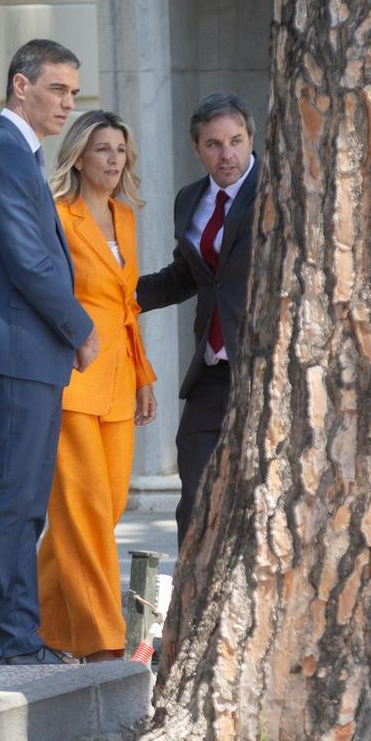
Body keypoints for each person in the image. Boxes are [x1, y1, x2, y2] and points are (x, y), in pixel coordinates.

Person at [0, 39, 98, 669]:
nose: (69, 102)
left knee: (26, 504)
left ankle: (15, 637)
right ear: (20, 86)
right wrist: (80, 328)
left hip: (29, 353)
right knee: (9, 500)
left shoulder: (19, 154)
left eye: (73, 91)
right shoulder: (1, 154)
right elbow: (31, 263)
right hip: (14, 351)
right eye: (58, 89)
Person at [36, 111, 157, 662]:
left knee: (100, 511)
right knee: (82, 511)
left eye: (120, 150)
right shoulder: (58, 216)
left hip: (121, 379)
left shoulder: (125, 217)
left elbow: (127, 306)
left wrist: (144, 377)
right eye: (103, 149)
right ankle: (104, 640)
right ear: (79, 156)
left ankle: (41, 626)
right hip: (74, 377)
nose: (113, 159)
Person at [137, 93, 260, 547]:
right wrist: (119, 296)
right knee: (195, 494)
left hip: (267, 370)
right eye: (213, 144)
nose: (226, 154)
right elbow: (186, 276)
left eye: (236, 141)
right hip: (210, 371)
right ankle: (196, 604)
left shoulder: (278, 191)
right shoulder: (190, 200)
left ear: (251, 139)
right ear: (197, 148)